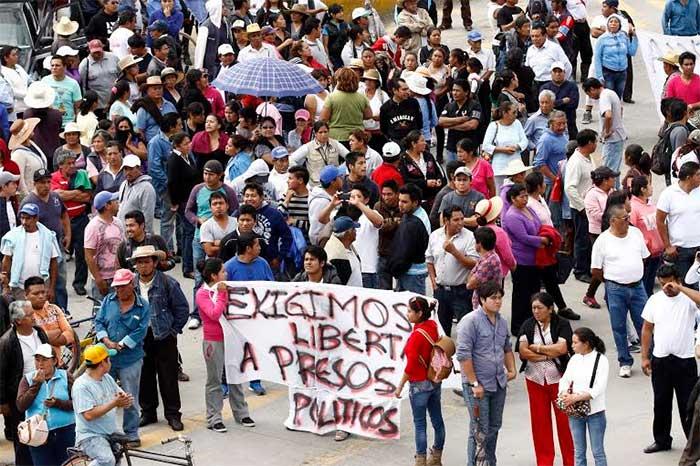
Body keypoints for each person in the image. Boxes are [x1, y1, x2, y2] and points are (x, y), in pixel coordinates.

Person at [640, 265, 700, 454]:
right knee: (661, 403)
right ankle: (662, 440)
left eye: (669, 283)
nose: (666, 287)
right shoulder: (655, 300)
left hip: (685, 359)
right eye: (662, 283)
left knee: (688, 406)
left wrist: (680, 288)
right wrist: (644, 357)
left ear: (677, 279)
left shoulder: (688, 298)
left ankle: (694, 445)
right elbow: (647, 329)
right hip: (661, 360)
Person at [457, 281, 516, 466]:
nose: (498, 302)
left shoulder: (502, 321)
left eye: (500, 298)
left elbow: (507, 347)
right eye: (493, 298)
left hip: (498, 383)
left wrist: (512, 370)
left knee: (494, 427)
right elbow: (463, 355)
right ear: (482, 300)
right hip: (477, 386)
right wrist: (475, 383)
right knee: (479, 430)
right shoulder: (470, 321)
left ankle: (490, 463)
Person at [131, 246, 188, 432]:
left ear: (155, 263)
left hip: (164, 336)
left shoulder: (167, 283)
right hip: (140, 337)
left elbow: (182, 309)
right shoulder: (131, 284)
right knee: (144, 377)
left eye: (147, 261)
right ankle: (148, 412)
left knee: (168, 377)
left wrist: (173, 330)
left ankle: (173, 415)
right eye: (140, 262)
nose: (144, 266)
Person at [196, 258, 255, 433]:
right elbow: (214, 314)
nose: (226, 273)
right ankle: (214, 417)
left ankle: (241, 413)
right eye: (223, 271)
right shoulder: (202, 294)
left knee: (235, 376)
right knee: (214, 379)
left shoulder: (228, 289)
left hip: (232, 338)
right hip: (213, 340)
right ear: (214, 276)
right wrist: (222, 294)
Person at [517, 292, 574, 466]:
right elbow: (523, 351)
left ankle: (570, 461)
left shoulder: (562, 324)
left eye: (539, 308)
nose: (536, 311)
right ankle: (544, 461)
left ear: (550, 309)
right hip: (535, 380)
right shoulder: (528, 325)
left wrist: (538, 348)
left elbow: (562, 348)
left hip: (560, 381)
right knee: (540, 424)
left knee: (565, 423)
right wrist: (547, 354)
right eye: (533, 308)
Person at [591, 204, 648, 378]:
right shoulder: (602, 240)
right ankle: (625, 361)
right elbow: (595, 270)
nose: (628, 220)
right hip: (615, 289)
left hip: (638, 287)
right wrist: (612, 281)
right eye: (624, 218)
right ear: (613, 221)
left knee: (645, 324)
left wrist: (633, 274)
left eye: (628, 217)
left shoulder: (636, 234)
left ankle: (649, 358)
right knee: (619, 327)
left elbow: (644, 257)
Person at [95, 268, 150, 446]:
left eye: (122, 287)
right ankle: (107, 433)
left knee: (129, 397)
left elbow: (141, 330)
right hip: (107, 359)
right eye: (116, 287)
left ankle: (132, 434)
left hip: (131, 359)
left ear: (132, 285)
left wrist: (122, 344)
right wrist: (106, 340)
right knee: (106, 398)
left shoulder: (142, 305)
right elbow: (99, 321)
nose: (119, 291)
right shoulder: (108, 301)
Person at [184, 159, 238, 329]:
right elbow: (188, 211)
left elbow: (236, 209)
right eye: (205, 174)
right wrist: (198, 220)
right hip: (199, 237)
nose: (207, 177)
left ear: (220, 175)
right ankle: (197, 314)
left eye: (211, 174)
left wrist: (223, 239)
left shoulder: (227, 190)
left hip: (224, 237)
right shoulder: (197, 189)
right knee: (201, 278)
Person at [395, 296, 446, 466]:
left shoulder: (415, 337)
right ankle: (437, 457)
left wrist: (400, 385)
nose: (407, 314)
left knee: (420, 424)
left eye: (410, 311)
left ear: (419, 313)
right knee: (437, 420)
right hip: (434, 381)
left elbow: (410, 367)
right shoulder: (432, 326)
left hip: (419, 385)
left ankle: (421, 460)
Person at [0, 301, 49, 466]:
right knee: (23, 437)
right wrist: (3, 402)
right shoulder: (7, 342)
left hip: (43, 391)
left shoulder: (40, 333)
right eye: (29, 315)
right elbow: (1, 374)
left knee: (43, 431)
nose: (33, 317)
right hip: (19, 395)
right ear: (19, 321)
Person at [72, 343, 134, 466]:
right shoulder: (81, 386)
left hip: (109, 431)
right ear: (102, 363)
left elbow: (119, 397)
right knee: (107, 460)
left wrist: (125, 401)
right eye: (108, 359)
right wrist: (114, 403)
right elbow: (88, 415)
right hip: (90, 436)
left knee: (116, 460)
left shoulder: (107, 378)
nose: (110, 362)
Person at [16, 343, 75, 466]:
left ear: (54, 361)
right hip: (38, 433)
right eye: (37, 360)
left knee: (68, 463)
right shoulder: (27, 379)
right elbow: (21, 406)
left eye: (44, 360)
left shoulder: (65, 376)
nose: (40, 364)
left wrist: (58, 403)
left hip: (65, 431)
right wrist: (35, 385)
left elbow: (78, 403)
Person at [502, 183, 550, 334]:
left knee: (533, 291)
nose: (525, 199)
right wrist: (541, 240)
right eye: (521, 197)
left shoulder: (528, 209)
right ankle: (518, 326)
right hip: (521, 260)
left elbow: (537, 225)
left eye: (525, 196)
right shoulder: (512, 216)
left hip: (534, 258)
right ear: (513, 199)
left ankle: (531, 321)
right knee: (521, 294)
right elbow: (523, 237)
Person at [558, 327, 610, 466]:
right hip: (575, 412)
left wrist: (575, 398)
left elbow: (599, 388)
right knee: (579, 452)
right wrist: (564, 393)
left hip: (595, 412)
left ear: (586, 343)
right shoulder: (574, 359)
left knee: (598, 452)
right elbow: (565, 379)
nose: (572, 345)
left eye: (575, 342)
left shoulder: (601, 360)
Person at [427, 206, 477, 336]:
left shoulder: (470, 237)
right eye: (456, 220)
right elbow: (429, 260)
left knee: (465, 332)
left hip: (461, 292)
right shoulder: (435, 235)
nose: (460, 222)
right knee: (442, 333)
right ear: (446, 220)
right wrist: (433, 282)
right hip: (441, 291)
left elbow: (473, 264)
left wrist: (454, 252)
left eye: (462, 219)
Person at [1, 203, 59, 300]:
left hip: (42, 287)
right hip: (20, 287)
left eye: (28, 218)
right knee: (23, 314)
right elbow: (6, 261)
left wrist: (51, 288)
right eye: (22, 218)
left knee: (42, 314)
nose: (24, 222)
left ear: (36, 219)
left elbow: (53, 262)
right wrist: (6, 286)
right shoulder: (12, 237)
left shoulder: (47, 236)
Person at [656, 161, 700, 286]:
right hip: (681, 251)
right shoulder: (668, 194)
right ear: (688, 178)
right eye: (698, 175)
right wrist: (667, 246)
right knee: (685, 285)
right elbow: (660, 220)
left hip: (699, 248)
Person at [583, 166, 620, 309]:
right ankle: (590, 294)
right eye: (612, 177)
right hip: (598, 233)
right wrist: (613, 215)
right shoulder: (592, 195)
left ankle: (605, 293)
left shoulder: (612, 191)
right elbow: (595, 214)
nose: (614, 179)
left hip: (612, 230)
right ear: (605, 180)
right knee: (602, 266)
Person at [565, 129, 597, 283]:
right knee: (582, 239)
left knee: (589, 238)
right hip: (580, 208)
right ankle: (580, 270)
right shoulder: (576, 162)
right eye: (595, 142)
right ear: (589, 143)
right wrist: (582, 207)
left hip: (590, 206)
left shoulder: (588, 158)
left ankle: (588, 267)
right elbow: (570, 188)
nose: (596, 144)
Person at [582, 78, 626, 187]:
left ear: (592, 89)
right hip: (618, 136)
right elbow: (620, 108)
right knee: (614, 169)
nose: (591, 97)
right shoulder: (611, 93)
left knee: (608, 171)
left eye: (589, 94)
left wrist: (607, 131)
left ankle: (611, 193)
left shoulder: (604, 97)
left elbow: (608, 115)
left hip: (613, 139)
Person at [388, 183, 430, 294]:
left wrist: (395, 269)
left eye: (404, 202)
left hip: (412, 275)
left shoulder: (415, 222)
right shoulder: (412, 214)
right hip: (408, 272)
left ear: (415, 202)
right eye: (399, 200)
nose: (400, 205)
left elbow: (406, 251)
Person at [84, 191, 124, 300]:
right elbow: (88, 255)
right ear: (107, 206)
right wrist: (98, 279)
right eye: (115, 201)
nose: (118, 203)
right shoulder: (93, 226)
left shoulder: (118, 223)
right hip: (103, 278)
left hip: (118, 276)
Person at [629, 176, 664, 297]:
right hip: (645, 254)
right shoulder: (633, 207)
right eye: (649, 185)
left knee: (649, 285)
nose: (652, 187)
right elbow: (630, 230)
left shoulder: (650, 204)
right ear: (643, 189)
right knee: (644, 287)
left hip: (656, 253)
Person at [483, 101, 529, 191]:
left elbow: (525, 141)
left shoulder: (517, 124)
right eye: (513, 112)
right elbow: (486, 145)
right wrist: (503, 149)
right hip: (500, 168)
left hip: (516, 167)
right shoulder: (493, 126)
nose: (516, 115)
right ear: (505, 113)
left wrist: (516, 147)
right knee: (501, 194)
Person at [290, 121, 349, 188]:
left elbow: (350, 157)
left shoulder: (336, 144)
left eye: (325, 132)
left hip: (334, 184)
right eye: (320, 132)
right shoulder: (308, 147)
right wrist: (302, 174)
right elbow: (291, 159)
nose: (323, 135)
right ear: (315, 133)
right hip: (316, 186)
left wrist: (341, 170)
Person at [593, 15, 638, 100]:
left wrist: (635, 38)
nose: (613, 24)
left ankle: (617, 113)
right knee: (609, 98)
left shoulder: (624, 37)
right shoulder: (602, 39)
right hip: (608, 73)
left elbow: (632, 52)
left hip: (622, 73)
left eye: (616, 22)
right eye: (611, 22)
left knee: (617, 99)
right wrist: (599, 76)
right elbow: (597, 58)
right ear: (608, 24)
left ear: (619, 25)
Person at [439, 79, 482, 163]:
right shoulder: (450, 106)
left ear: (466, 92)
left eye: (457, 90)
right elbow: (441, 121)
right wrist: (460, 119)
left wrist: (450, 125)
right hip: (452, 147)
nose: (454, 93)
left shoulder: (474, 105)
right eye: (453, 90)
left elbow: (472, 125)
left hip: (469, 149)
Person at [78, 40, 120, 116]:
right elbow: (83, 86)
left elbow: (121, 76)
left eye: (99, 51)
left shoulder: (114, 58)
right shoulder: (84, 65)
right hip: (98, 106)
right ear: (89, 51)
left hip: (115, 103)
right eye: (94, 52)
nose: (97, 54)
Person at [117, 154, 157, 234]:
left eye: (131, 169)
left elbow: (148, 217)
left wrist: (145, 237)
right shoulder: (124, 184)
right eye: (125, 169)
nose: (128, 172)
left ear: (139, 168)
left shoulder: (147, 188)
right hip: (123, 234)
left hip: (138, 236)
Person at [41, 56, 81, 128]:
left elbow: (77, 106)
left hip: (68, 124)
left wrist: (76, 123)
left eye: (57, 65)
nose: (54, 68)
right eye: (52, 65)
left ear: (65, 67)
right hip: (50, 123)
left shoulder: (73, 84)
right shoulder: (44, 81)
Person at [380, 79, 423, 144]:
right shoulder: (385, 108)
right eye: (404, 89)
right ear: (394, 90)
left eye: (408, 89)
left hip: (412, 143)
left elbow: (420, 123)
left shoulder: (414, 103)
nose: (407, 92)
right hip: (395, 144)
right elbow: (384, 129)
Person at [323, 216, 363, 287]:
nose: (356, 231)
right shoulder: (335, 256)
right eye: (353, 229)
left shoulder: (350, 248)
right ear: (347, 234)